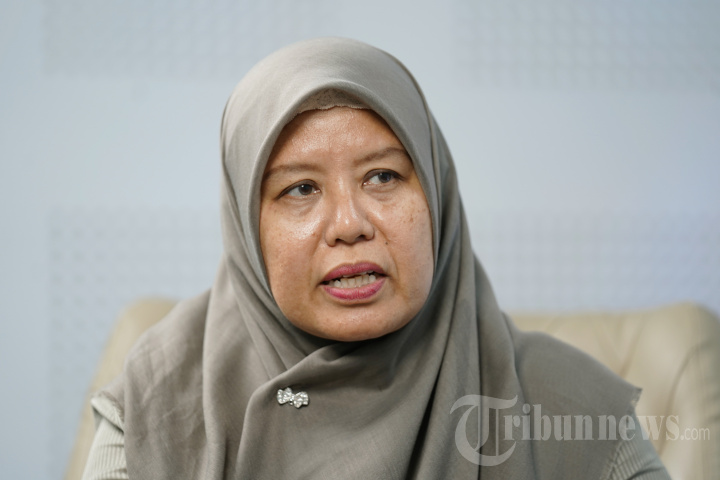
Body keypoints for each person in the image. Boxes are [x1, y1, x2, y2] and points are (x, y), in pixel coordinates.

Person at [82, 37, 669, 479]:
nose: (349, 225)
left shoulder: (570, 410)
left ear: (436, 195)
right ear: (245, 224)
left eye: (383, 176)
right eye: (300, 188)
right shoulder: (159, 404)